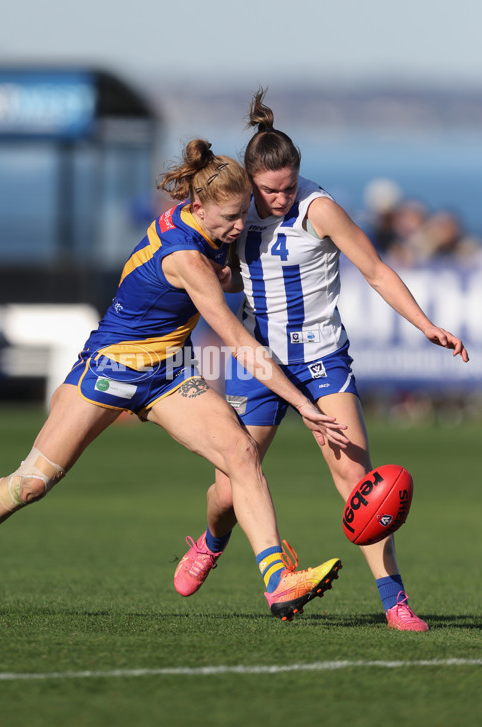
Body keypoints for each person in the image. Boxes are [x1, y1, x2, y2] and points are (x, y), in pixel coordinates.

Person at [0, 139, 350, 621]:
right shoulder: (188, 258)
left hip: (170, 374)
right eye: (230, 220)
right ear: (197, 207)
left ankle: (279, 582)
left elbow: (229, 270)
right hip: (111, 368)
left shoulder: (204, 223)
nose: (239, 228)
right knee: (30, 484)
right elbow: (240, 342)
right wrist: (302, 404)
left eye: (243, 216)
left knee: (240, 453)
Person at [173, 91, 469, 632]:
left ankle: (394, 600)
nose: (280, 198)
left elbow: (376, 270)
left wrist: (425, 324)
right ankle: (212, 542)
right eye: (269, 190)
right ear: (251, 182)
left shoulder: (320, 209)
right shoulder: (236, 210)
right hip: (258, 362)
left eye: (288, 186)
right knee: (228, 483)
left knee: (358, 479)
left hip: (320, 361)